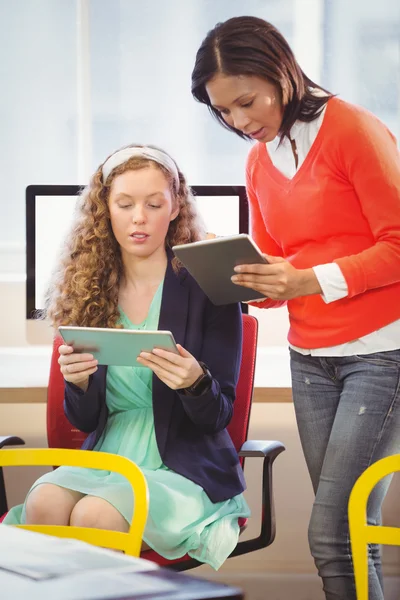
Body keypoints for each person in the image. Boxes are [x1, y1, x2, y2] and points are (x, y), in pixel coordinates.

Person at [191, 15, 400, 600]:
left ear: (279, 72)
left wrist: (306, 279)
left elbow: (398, 244)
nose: (239, 121)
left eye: (246, 101)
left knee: (333, 534)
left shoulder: (352, 130)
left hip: (381, 353)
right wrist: (231, 271)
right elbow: (275, 270)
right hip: (310, 357)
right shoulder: (258, 162)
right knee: (351, 535)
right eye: (224, 111)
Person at [4, 144, 250, 570]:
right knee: (43, 502)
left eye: (154, 204)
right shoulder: (88, 293)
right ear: (106, 210)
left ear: (175, 208)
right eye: (125, 204)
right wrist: (78, 384)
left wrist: (195, 382)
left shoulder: (209, 289)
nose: (140, 217)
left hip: (183, 467)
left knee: (94, 515)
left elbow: (218, 416)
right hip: (107, 456)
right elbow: (82, 421)